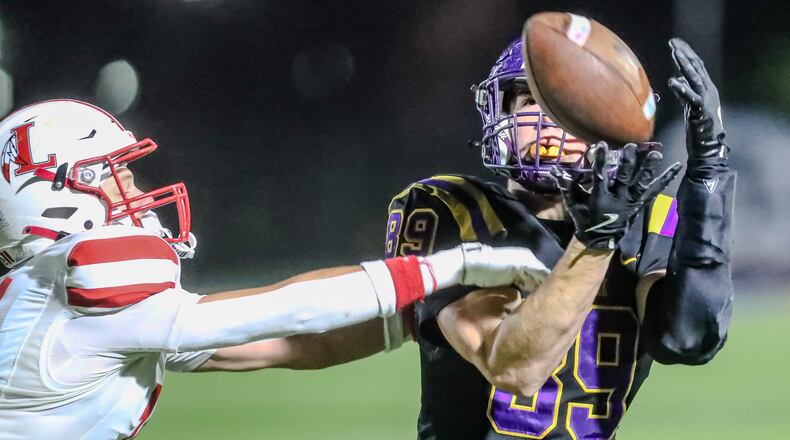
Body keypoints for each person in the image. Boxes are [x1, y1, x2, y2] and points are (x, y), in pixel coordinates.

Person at [0, 99, 553, 439]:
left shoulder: (37, 291)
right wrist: (447, 267)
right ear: (46, 192)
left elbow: (283, 341)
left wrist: (409, 320)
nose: (138, 193)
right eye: (112, 177)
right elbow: (282, 310)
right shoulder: (79, 278)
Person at [384, 36, 735, 439]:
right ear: (500, 114)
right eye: (531, 102)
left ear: (608, 124)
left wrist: (709, 172)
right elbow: (513, 365)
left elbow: (689, 338)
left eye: (568, 107)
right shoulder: (454, 210)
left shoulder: (649, 219)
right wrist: (596, 240)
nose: (548, 125)